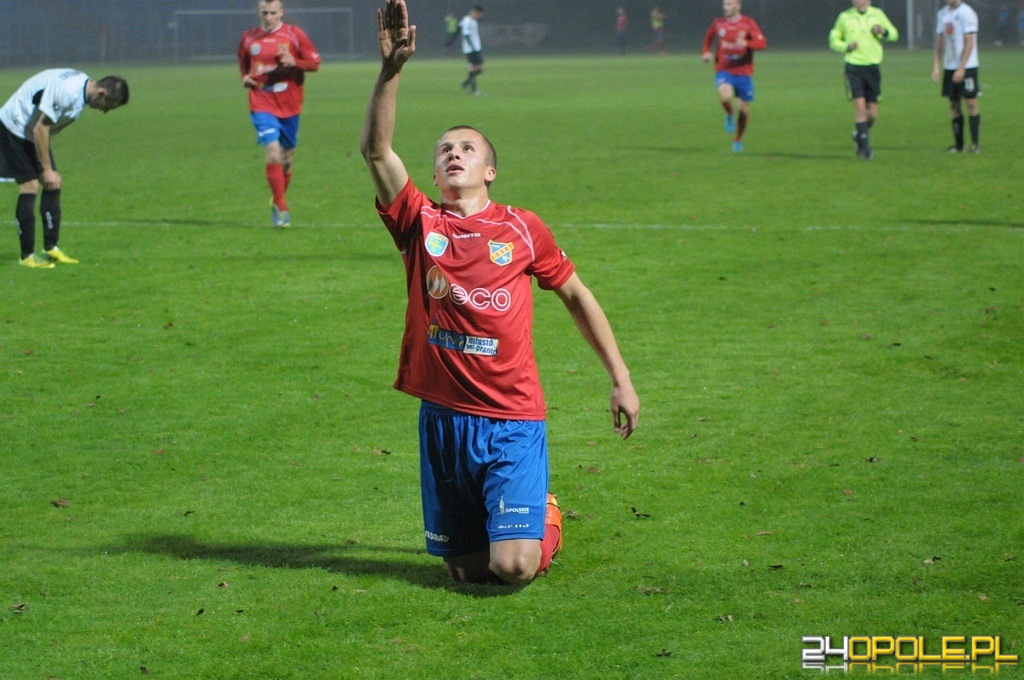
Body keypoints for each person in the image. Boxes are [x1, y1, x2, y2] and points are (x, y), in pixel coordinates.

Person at [361, 0, 640, 586]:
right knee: (465, 571)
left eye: (467, 148)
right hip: (443, 417)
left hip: (511, 416)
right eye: (444, 150)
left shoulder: (522, 228)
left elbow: (577, 295)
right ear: (434, 174)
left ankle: (545, 511)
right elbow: (377, 152)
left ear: (489, 170)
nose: (454, 154)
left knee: (512, 567)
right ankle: (501, 520)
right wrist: (390, 73)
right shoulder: (419, 221)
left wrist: (620, 377)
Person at [0, 69, 128, 269]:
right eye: (108, 107)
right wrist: (46, 168)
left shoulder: (82, 89)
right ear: (102, 94)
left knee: (53, 183)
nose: (105, 112)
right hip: (14, 127)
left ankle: (50, 249)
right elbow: (41, 128)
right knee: (30, 186)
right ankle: (27, 257)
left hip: (32, 130)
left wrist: (47, 169)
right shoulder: (68, 92)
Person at [238, 0, 321, 228]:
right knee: (273, 152)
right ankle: (282, 207)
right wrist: (245, 77)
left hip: (290, 103)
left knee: (287, 158)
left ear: (281, 12)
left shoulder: (294, 35)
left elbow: (315, 63)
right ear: (259, 12)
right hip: (261, 101)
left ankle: (277, 197)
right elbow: (243, 62)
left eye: (273, 13)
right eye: (265, 13)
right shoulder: (249, 38)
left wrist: (295, 62)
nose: (269, 17)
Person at [828, 0, 899, 160]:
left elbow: (894, 34)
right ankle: (865, 151)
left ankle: (859, 134)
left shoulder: (877, 14)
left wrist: (883, 31)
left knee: (872, 114)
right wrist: (846, 46)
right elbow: (833, 40)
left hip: (872, 67)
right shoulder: (844, 17)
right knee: (860, 109)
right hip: (853, 67)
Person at [702, 0, 767, 153]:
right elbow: (709, 36)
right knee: (725, 96)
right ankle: (729, 113)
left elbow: (762, 43)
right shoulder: (719, 23)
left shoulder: (748, 23)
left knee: (743, 111)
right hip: (724, 69)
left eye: (729, 4)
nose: (725, 7)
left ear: (738, 6)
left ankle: (738, 139)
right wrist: (706, 52)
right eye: (724, 4)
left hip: (744, 72)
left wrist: (746, 43)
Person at [932, 0, 981, 153]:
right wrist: (936, 65)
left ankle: (975, 145)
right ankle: (959, 145)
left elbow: (970, 42)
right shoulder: (942, 14)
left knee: (970, 102)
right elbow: (939, 41)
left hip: (968, 66)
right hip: (949, 66)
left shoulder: (967, 12)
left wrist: (962, 67)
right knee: (954, 104)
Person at [459, 6, 485, 95]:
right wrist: (472, 47)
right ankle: (471, 87)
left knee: (476, 69)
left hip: (475, 48)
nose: (480, 16)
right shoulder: (467, 21)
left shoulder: (473, 21)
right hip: (470, 49)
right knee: (477, 68)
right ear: (475, 12)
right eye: (479, 14)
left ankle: (468, 85)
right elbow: (466, 34)